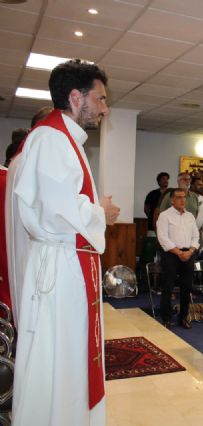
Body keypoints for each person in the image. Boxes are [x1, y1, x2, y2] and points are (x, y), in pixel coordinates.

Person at [7, 59, 120, 425]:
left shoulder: (64, 139)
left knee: (70, 359)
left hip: (69, 263)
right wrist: (100, 212)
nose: (104, 108)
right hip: (60, 267)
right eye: (100, 99)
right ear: (76, 97)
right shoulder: (51, 139)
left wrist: (94, 211)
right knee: (59, 360)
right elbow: (58, 213)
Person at [156, 188, 199, 330]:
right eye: (179, 197)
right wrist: (179, 252)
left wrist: (191, 250)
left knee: (186, 288)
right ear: (172, 200)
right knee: (168, 288)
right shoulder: (164, 215)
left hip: (188, 254)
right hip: (171, 254)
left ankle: (183, 317)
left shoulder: (190, 216)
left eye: (184, 197)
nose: (182, 200)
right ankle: (166, 318)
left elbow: (196, 236)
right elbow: (162, 237)